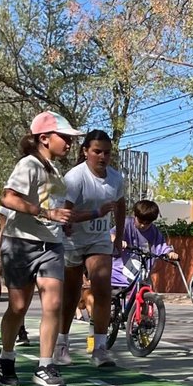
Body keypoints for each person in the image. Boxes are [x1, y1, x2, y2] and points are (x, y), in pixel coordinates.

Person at [0, 113, 77, 386]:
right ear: (44, 138)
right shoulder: (28, 164)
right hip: (20, 243)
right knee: (18, 307)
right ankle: (6, 357)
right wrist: (45, 213)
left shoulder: (54, 170)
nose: (69, 143)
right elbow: (7, 197)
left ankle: (45, 365)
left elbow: (53, 207)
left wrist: (63, 222)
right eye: (64, 137)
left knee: (53, 304)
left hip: (51, 245)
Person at [56, 130, 125, 368]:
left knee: (103, 288)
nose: (102, 157)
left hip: (99, 239)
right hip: (73, 240)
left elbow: (121, 206)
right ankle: (61, 344)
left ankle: (100, 348)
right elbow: (65, 214)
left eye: (107, 152)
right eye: (97, 151)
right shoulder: (75, 178)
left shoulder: (116, 178)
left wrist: (119, 237)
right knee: (71, 294)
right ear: (86, 151)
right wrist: (96, 213)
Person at [0, 207, 29, 344]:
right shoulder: (7, 206)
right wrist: (1, 257)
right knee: (18, 300)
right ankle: (20, 330)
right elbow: (3, 230)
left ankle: (59, 341)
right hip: (16, 252)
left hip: (39, 251)